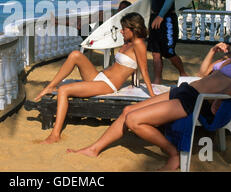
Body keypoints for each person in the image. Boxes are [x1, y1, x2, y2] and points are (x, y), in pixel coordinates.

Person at [67, 21, 231, 170]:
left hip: (196, 101)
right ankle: (93, 149)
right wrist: (213, 51)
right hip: (188, 91)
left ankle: (173, 153)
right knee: (128, 109)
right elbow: (203, 73)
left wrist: (218, 100)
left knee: (134, 120)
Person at [34, 12, 154, 144]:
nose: (121, 31)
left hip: (108, 85)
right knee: (75, 55)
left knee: (63, 90)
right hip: (99, 76)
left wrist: (151, 93)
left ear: (133, 29)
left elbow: (144, 70)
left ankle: (55, 134)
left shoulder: (139, 44)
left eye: (124, 28)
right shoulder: (128, 42)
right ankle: (50, 86)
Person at [145, 0, 187, 84]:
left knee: (168, 52)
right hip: (154, 18)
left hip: (167, 18)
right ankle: (157, 80)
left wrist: (161, 15)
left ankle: (183, 74)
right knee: (155, 52)